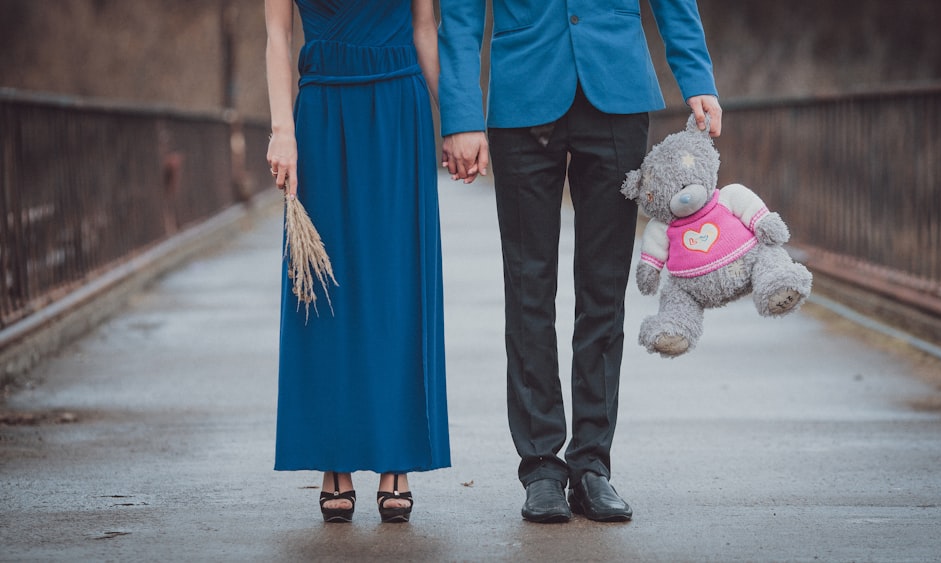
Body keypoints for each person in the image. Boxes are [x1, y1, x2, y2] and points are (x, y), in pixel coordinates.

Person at [438, 1, 723, 523]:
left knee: (603, 290)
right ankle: (542, 466)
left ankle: (592, 464)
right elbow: (458, 15)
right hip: (524, 94)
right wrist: (460, 112)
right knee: (528, 289)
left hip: (616, 89)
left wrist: (696, 73)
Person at [265, 0, 450, 524]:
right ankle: (334, 455)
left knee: (397, 286)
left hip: (398, 110)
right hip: (320, 113)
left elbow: (423, 28)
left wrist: (460, 121)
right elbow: (277, 36)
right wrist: (283, 129)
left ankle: (397, 456)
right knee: (325, 292)